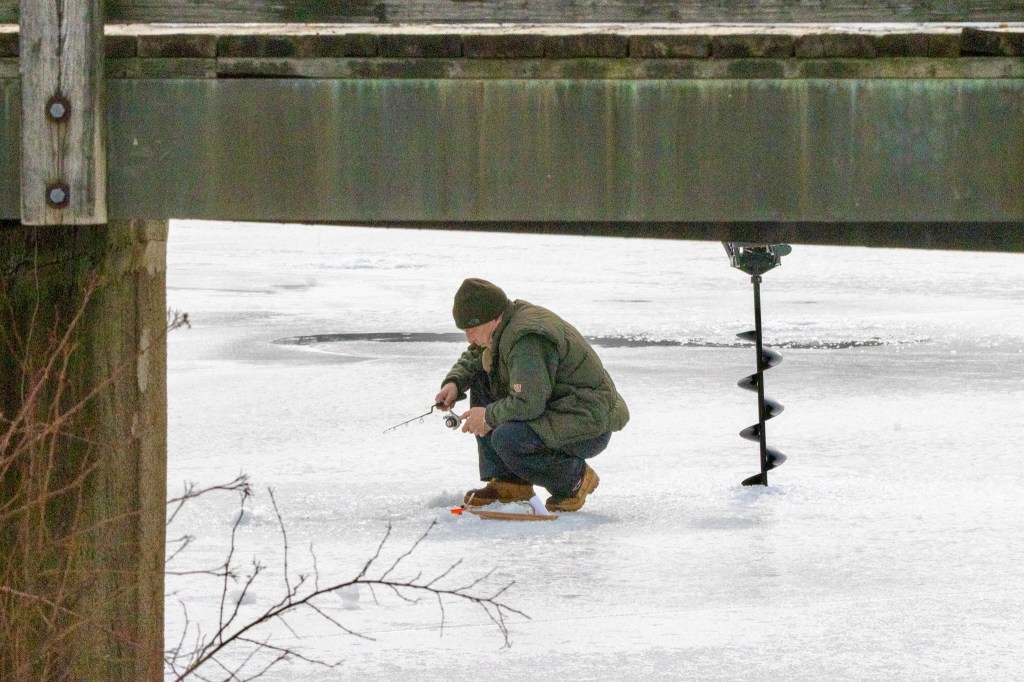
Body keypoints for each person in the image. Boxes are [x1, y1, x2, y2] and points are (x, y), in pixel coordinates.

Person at [435, 278, 629, 512]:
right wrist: (455, 382)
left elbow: (529, 403)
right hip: (558, 409)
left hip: (586, 423)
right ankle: (511, 484)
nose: (469, 338)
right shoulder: (504, 323)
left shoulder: (526, 339)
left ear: (491, 318)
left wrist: (487, 416)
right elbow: (478, 354)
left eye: (470, 330)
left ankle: (574, 479)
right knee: (481, 378)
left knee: (508, 438)